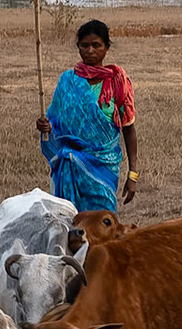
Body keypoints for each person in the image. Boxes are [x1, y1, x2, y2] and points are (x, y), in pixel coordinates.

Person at [36, 18, 140, 211]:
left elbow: (129, 128)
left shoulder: (117, 81)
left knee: (104, 224)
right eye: (85, 45)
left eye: (96, 45)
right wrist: (46, 126)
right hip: (70, 165)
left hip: (104, 165)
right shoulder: (68, 81)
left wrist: (132, 174)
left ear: (106, 48)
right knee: (69, 222)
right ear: (78, 48)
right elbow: (56, 122)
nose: (90, 50)